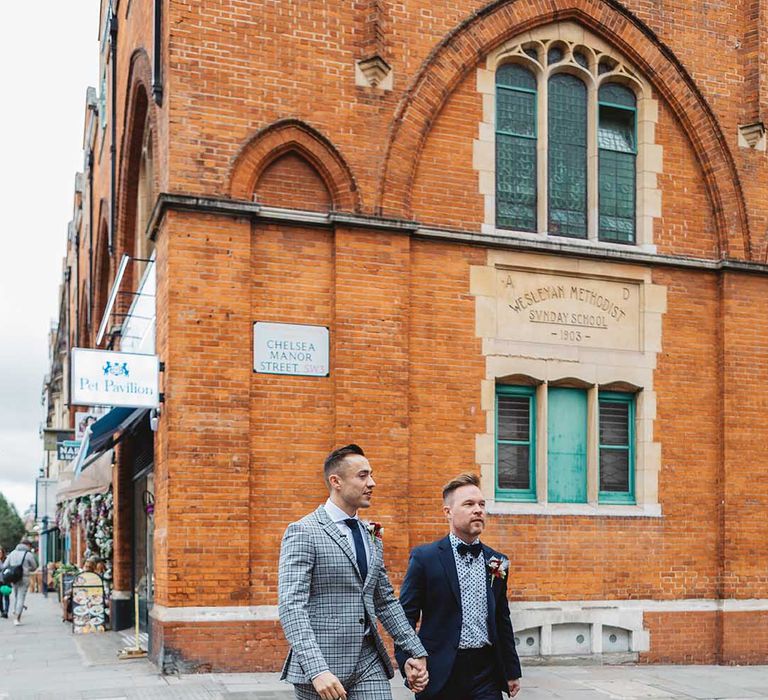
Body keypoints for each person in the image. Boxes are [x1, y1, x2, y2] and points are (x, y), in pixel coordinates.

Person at [278, 444, 429, 700]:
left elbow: (385, 600)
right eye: (362, 476)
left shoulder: (371, 534)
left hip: (368, 661)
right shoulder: (304, 531)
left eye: (371, 474)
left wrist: (416, 651)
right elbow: (291, 606)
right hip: (323, 668)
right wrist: (317, 670)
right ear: (336, 481)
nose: (372, 482)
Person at [396, 473, 522, 699]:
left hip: (487, 673)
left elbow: (502, 618)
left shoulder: (497, 561)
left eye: (482, 504)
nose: (478, 510)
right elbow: (404, 617)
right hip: (439, 671)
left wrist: (512, 671)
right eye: (469, 504)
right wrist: (408, 661)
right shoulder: (425, 558)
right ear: (448, 512)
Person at [4, 538, 39, 626]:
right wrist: (27, 568)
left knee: (16, 596)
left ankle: (15, 611)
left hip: (13, 578)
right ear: (27, 545)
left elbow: (5, 565)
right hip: (24, 577)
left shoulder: (12, 553)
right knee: (21, 597)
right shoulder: (28, 554)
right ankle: (16, 618)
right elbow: (34, 566)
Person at [0, 547, 10, 618]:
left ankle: (6, 611)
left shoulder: (7, 559)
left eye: (0, 552)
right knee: (0, 598)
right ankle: (2, 611)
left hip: (6, 580)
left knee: (6, 595)